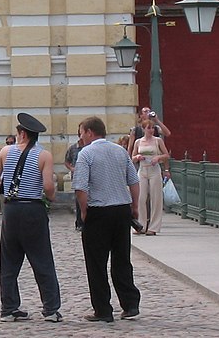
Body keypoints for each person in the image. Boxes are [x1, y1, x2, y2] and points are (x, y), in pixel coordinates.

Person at [0, 114, 61, 323]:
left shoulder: (5, 151)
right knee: (42, 259)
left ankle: (9, 308)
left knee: (9, 260)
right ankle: (50, 309)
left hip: (11, 209)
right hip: (32, 209)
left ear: (22, 134)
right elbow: (47, 186)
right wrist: (52, 197)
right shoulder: (43, 155)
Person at [73, 116, 141, 323]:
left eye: (82, 133)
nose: (81, 137)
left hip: (98, 211)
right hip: (121, 211)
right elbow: (134, 181)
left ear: (90, 132)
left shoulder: (86, 154)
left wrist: (84, 212)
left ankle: (103, 309)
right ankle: (130, 304)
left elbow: (81, 188)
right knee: (122, 259)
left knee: (96, 263)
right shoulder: (120, 151)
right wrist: (135, 207)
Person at [131, 119, 170, 235]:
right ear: (143, 129)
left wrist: (158, 158)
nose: (151, 130)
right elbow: (132, 157)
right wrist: (137, 157)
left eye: (152, 128)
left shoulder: (158, 141)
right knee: (141, 198)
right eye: (148, 128)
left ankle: (154, 227)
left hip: (154, 170)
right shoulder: (138, 142)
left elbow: (166, 155)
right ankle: (140, 225)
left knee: (156, 198)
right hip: (143, 169)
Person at [65, 135, 85, 231]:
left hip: (87, 176)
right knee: (78, 200)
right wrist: (72, 168)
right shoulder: (73, 148)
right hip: (77, 176)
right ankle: (79, 222)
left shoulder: (89, 147)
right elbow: (67, 161)